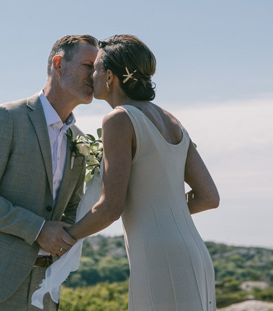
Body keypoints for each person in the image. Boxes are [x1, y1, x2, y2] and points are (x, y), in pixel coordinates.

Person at [64, 34, 219, 310]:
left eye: (96, 68)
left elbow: (111, 207)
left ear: (110, 77)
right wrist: (163, 209)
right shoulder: (173, 121)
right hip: (195, 253)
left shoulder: (118, 119)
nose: (92, 76)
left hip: (158, 257)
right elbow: (209, 197)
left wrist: (67, 237)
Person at [0, 35, 98, 311]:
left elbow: (71, 210)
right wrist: (38, 229)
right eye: (89, 65)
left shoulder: (80, 140)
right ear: (58, 64)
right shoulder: (6, 118)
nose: (96, 74)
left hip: (45, 291)